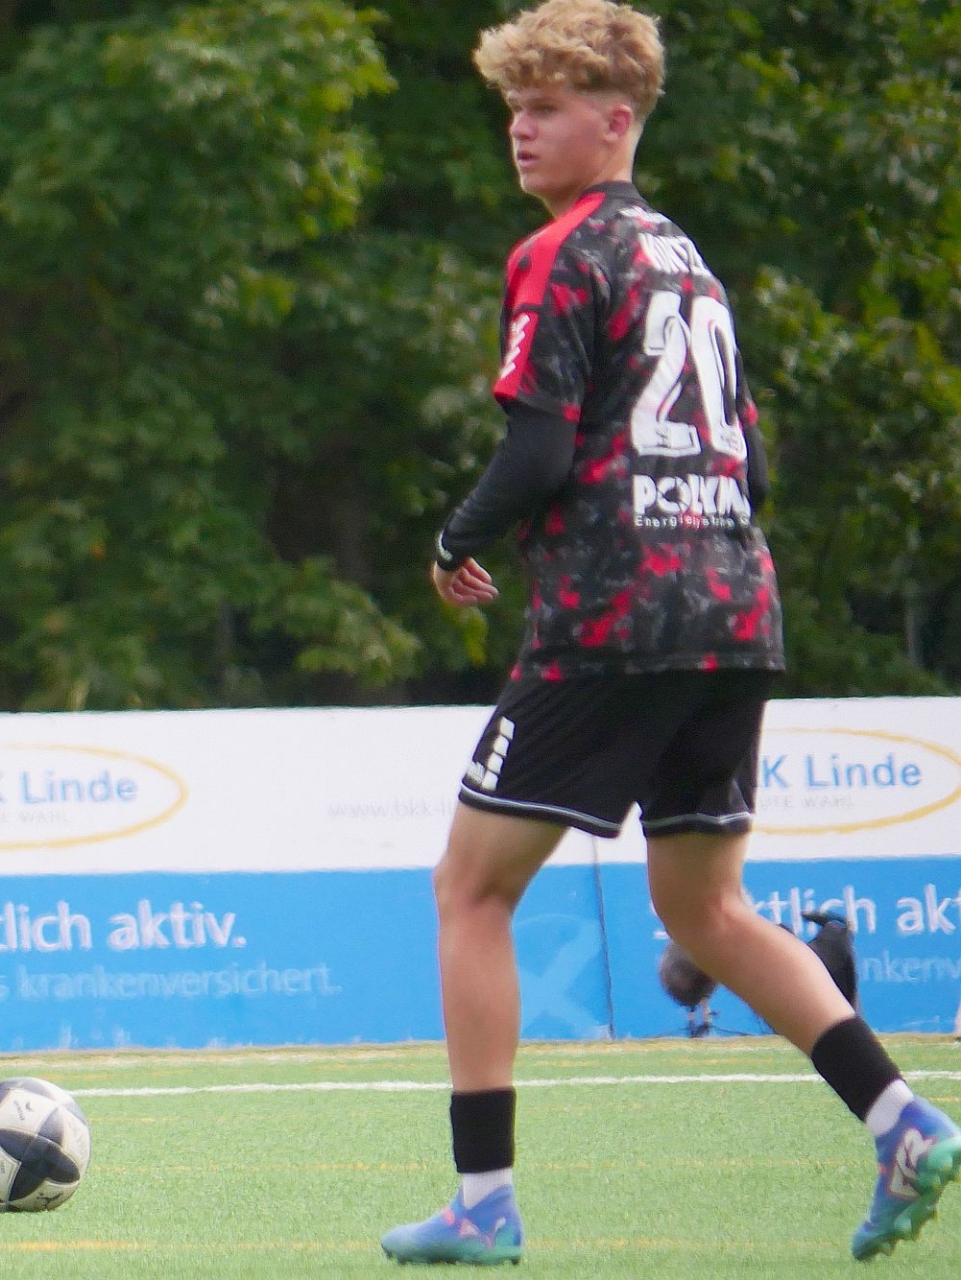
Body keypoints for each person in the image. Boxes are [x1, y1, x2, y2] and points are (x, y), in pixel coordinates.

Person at [379, 0, 960, 1264]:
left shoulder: (561, 253)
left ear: (617, 119)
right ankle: (903, 1118)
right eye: (514, 106)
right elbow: (749, 457)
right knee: (706, 906)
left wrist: (455, 536)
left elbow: (539, 453)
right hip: (736, 605)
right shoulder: (687, 259)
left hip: (615, 617)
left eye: (546, 106)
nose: (521, 128)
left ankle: (483, 1200)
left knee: (469, 889)